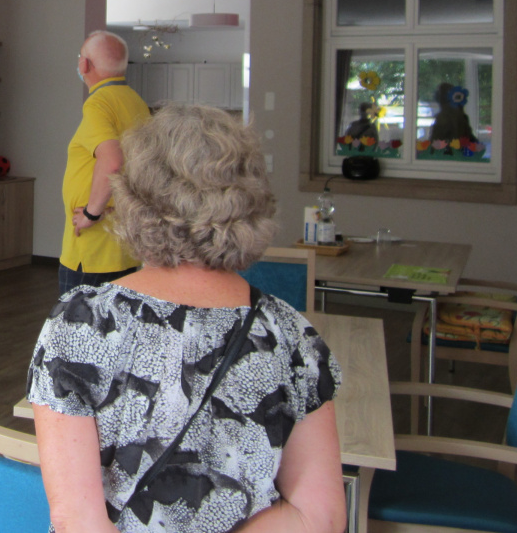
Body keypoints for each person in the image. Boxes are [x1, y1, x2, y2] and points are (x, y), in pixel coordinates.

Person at [28, 104, 347, 533]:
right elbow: (320, 518)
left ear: (134, 199)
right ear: (250, 201)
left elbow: (75, 522)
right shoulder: (292, 336)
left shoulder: (81, 322)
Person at [58, 30, 149, 296]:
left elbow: (112, 161)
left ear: (84, 64)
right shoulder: (136, 102)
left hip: (93, 251)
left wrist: (91, 214)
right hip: (123, 246)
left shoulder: (98, 104)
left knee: (77, 321)